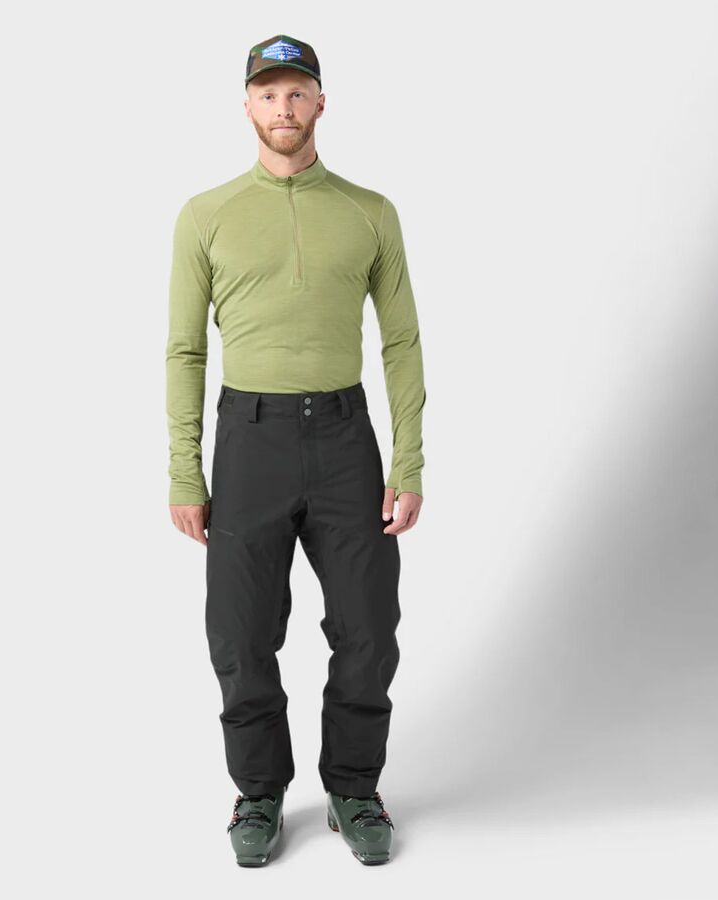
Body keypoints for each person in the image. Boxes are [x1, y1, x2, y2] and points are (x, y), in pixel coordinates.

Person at [165, 34, 425, 867]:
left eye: (297, 91)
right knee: (240, 633)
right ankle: (259, 792)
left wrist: (408, 462)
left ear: (321, 101)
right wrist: (184, 468)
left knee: (369, 627)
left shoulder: (369, 211)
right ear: (248, 105)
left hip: (347, 438)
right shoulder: (205, 215)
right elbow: (185, 351)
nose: (284, 107)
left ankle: (354, 787)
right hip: (250, 441)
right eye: (268, 92)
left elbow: (401, 342)